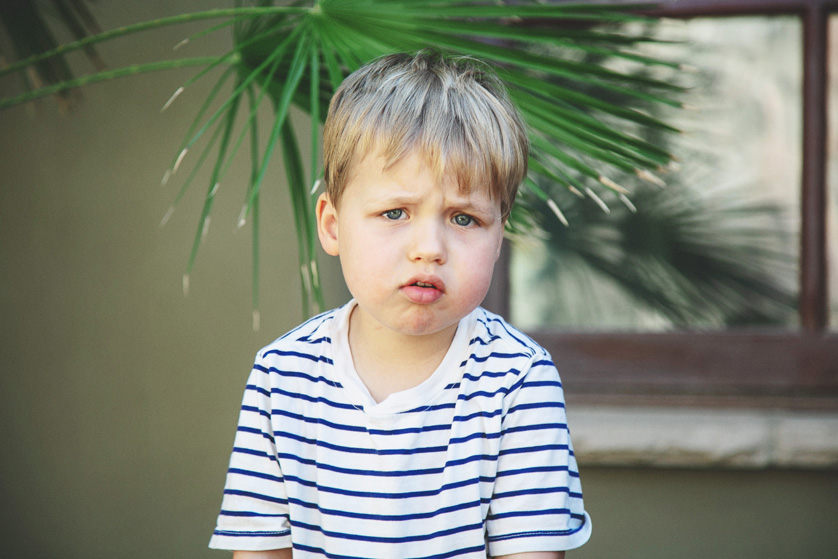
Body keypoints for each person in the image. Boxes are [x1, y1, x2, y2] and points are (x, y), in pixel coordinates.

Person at [209, 50, 592, 559]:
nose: (428, 247)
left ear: (500, 237)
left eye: (463, 219)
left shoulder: (517, 380)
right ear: (332, 225)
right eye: (395, 212)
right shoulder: (283, 377)